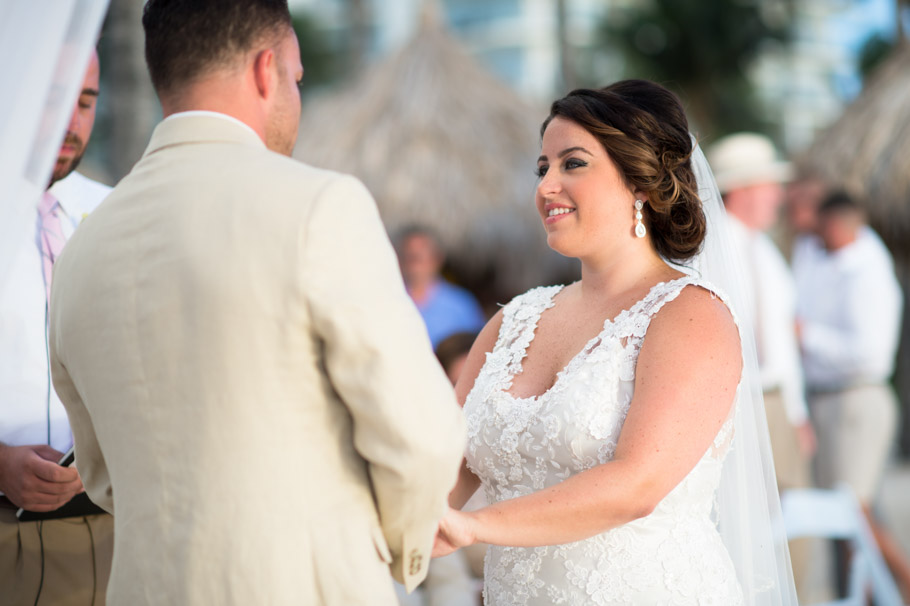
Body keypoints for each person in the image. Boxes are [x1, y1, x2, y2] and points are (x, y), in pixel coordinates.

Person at [48, 1, 465, 604]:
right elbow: (421, 434)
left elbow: (102, 474)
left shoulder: (81, 247)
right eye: (297, 79)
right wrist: (401, 551)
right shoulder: (320, 206)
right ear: (268, 69)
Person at [433, 81, 796, 605]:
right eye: (542, 168)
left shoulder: (690, 314)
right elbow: (445, 469)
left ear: (640, 182)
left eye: (572, 164)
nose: (546, 186)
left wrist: (475, 527)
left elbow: (636, 484)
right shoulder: (512, 321)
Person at [0, 48, 114, 606]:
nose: (72, 123)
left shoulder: (121, 215)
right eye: (54, 98)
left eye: (86, 100)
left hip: (117, 540)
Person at [706, 133, 815, 596]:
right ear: (745, 189)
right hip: (733, 402)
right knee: (743, 520)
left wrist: (796, 412)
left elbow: (785, 347)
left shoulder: (768, 253)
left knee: (796, 520)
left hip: (773, 400)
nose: (779, 195)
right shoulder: (707, 248)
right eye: (771, 185)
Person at [794, 190, 910, 595]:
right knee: (843, 514)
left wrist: (807, 336)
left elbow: (868, 352)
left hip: (857, 398)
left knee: (852, 510)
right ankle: (864, 594)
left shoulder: (869, 273)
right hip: (829, 398)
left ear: (837, 224)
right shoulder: (819, 255)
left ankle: (902, 582)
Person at [396, 226, 486, 349]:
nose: (414, 264)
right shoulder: (390, 301)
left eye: (420, 257)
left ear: (437, 258)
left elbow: (476, 349)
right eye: (410, 257)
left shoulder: (461, 304)